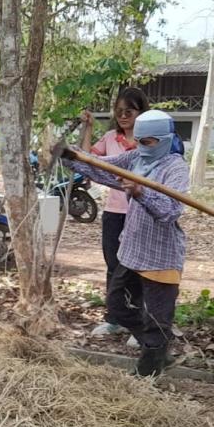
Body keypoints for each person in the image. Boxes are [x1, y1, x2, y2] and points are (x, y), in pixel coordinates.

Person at [61, 110, 189, 376]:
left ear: (165, 139)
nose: (142, 147)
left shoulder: (175, 168)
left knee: (156, 317)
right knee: (117, 303)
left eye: (149, 142)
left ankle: (149, 370)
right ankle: (158, 347)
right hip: (131, 248)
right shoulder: (135, 157)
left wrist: (140, 191)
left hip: (160, 256)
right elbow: (103, 169)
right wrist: (70, 155)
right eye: (139, 141)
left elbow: (170, 211)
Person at [81, 87, 148, 338]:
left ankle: (138, 322)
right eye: (119, 112)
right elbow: (89, 160)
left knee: (138, 268)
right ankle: (115, 318)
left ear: (140, 112)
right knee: (114, 265)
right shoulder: (110, 138)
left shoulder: (149, 140)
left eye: (129, 111)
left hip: (141, 212)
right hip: (114, 211)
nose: (123, 116)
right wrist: (88, 128)